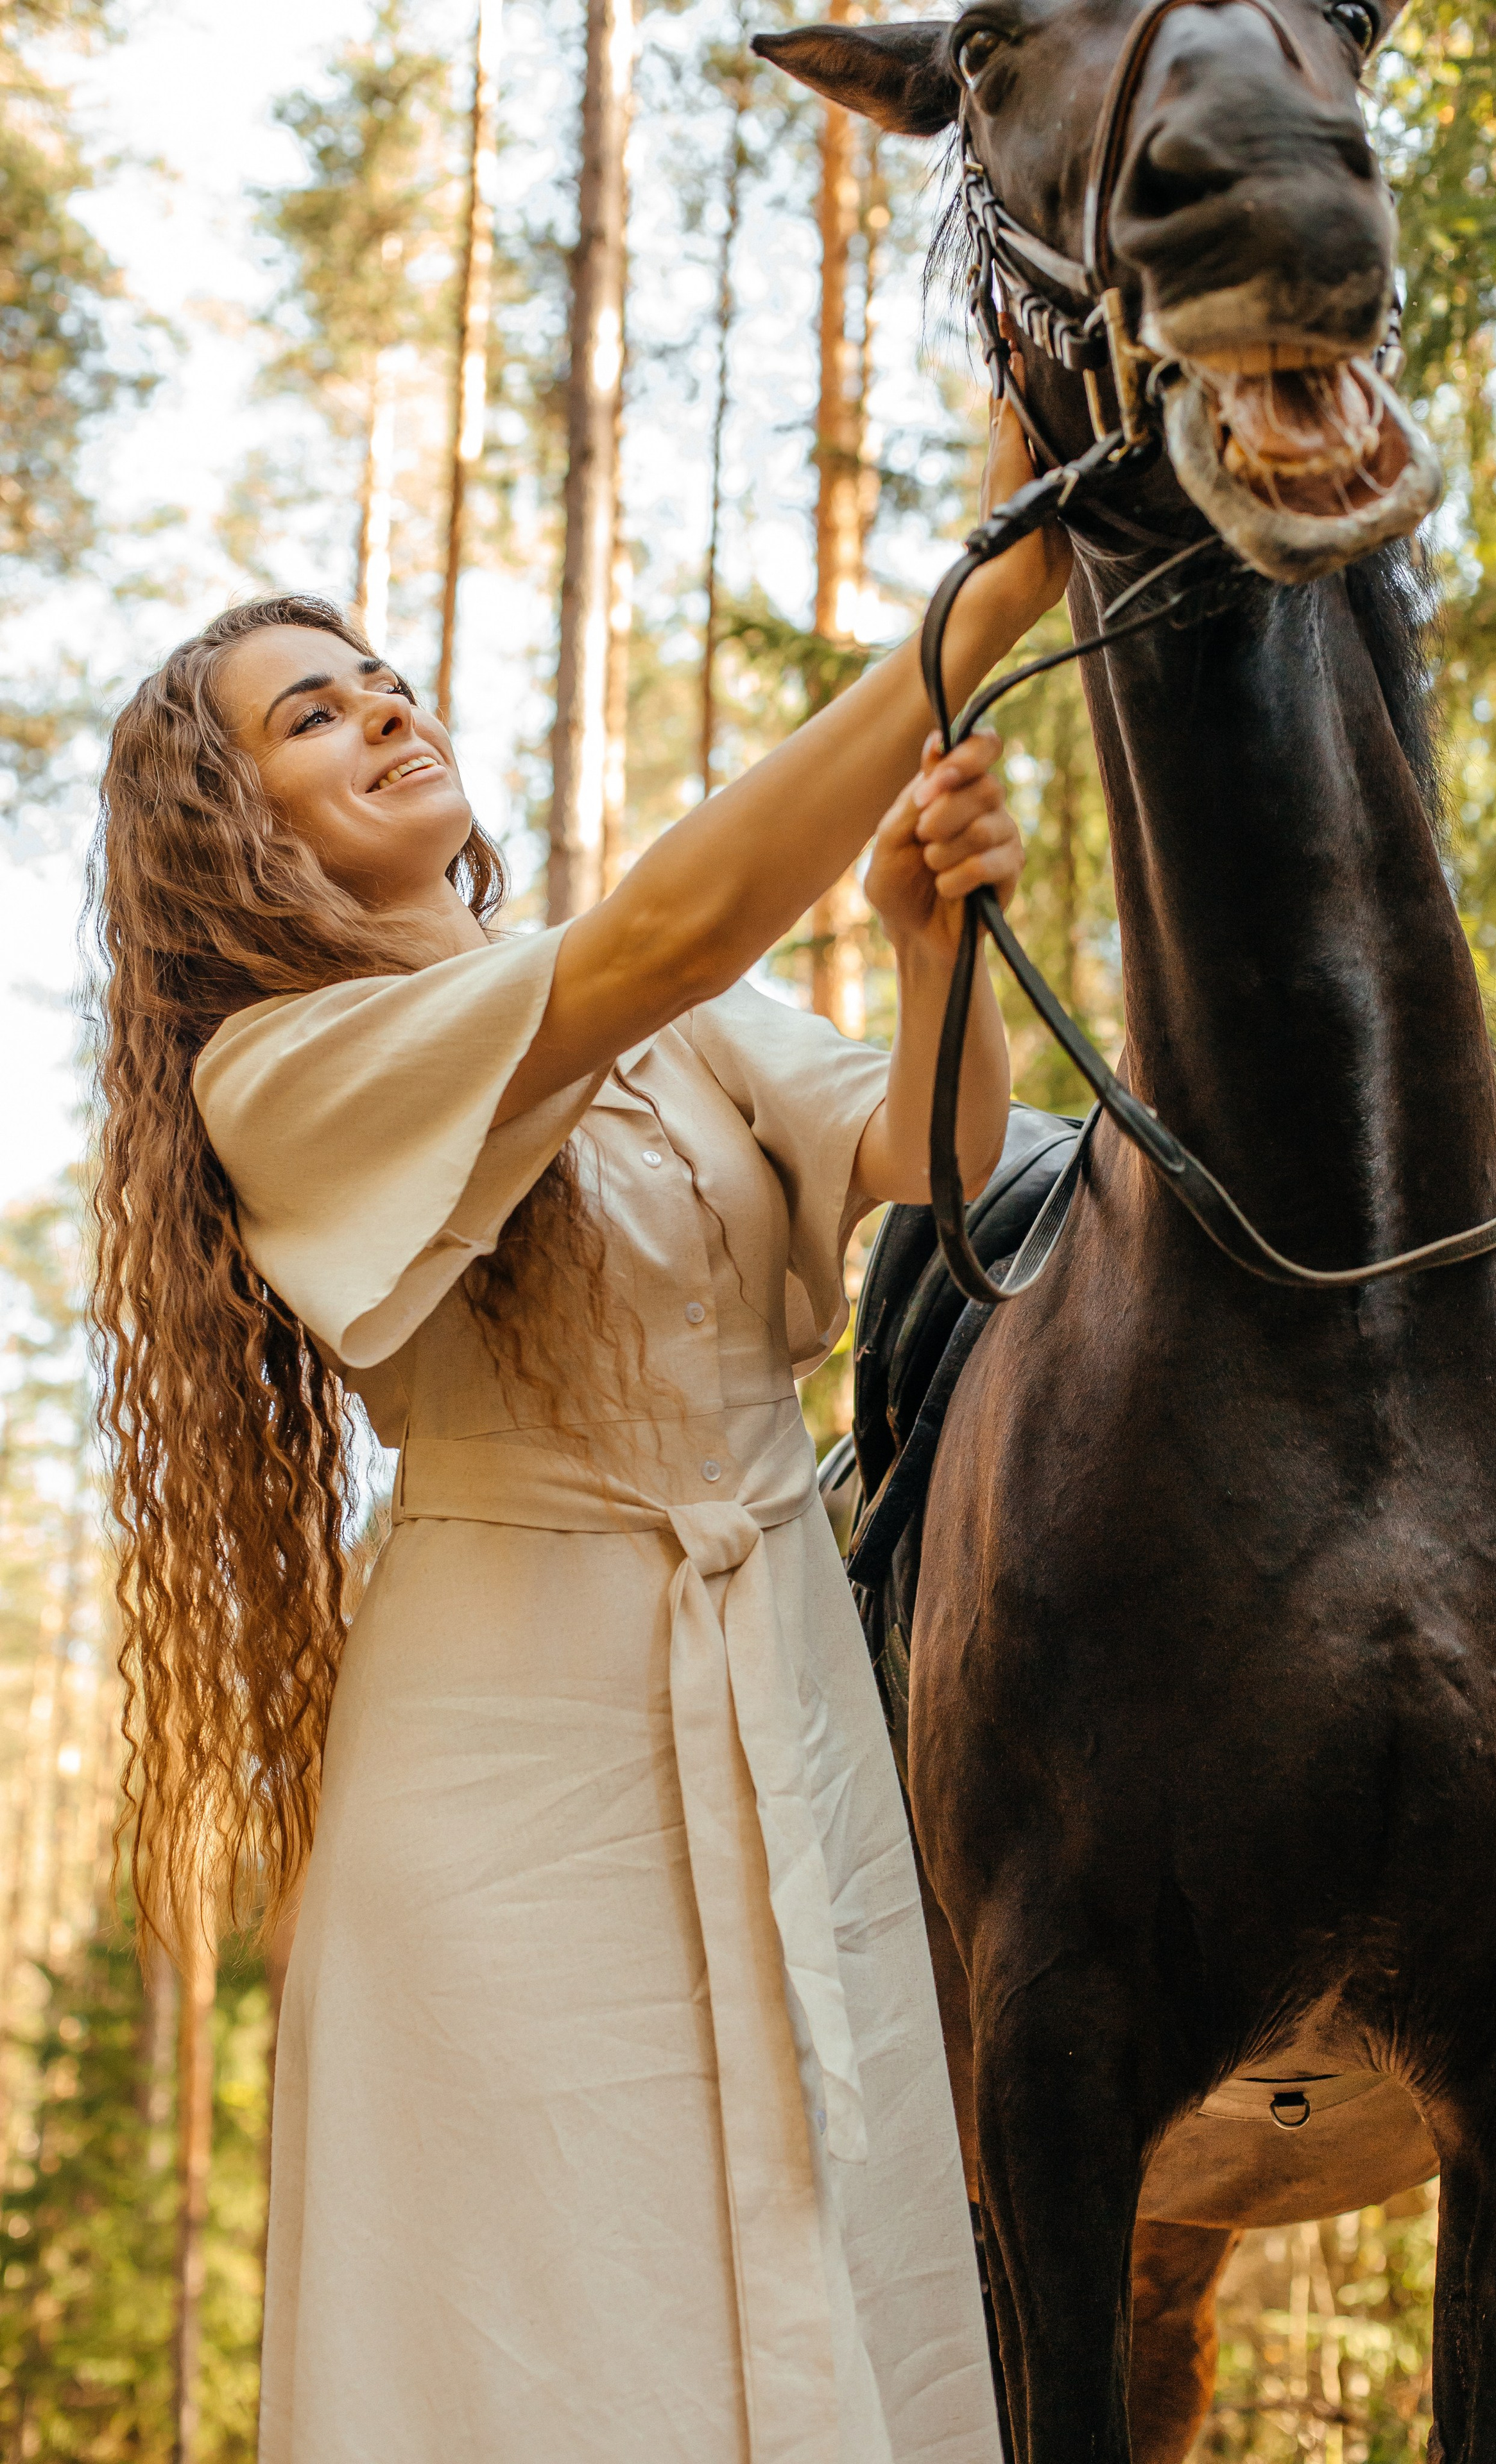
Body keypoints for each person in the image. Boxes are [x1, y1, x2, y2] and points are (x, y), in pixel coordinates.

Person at [89, 406, 1067, 2463]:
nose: (381, 720)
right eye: (310, 720)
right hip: (509, 1771)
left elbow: (930, 1155)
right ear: (227, 828)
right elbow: (670, 934)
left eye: (388, 688)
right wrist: (968, 618)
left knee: (831, 2252)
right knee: (561, 2328)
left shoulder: (639, 1006)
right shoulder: (283, 1070)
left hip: (778, 1689)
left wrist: (919, 950)